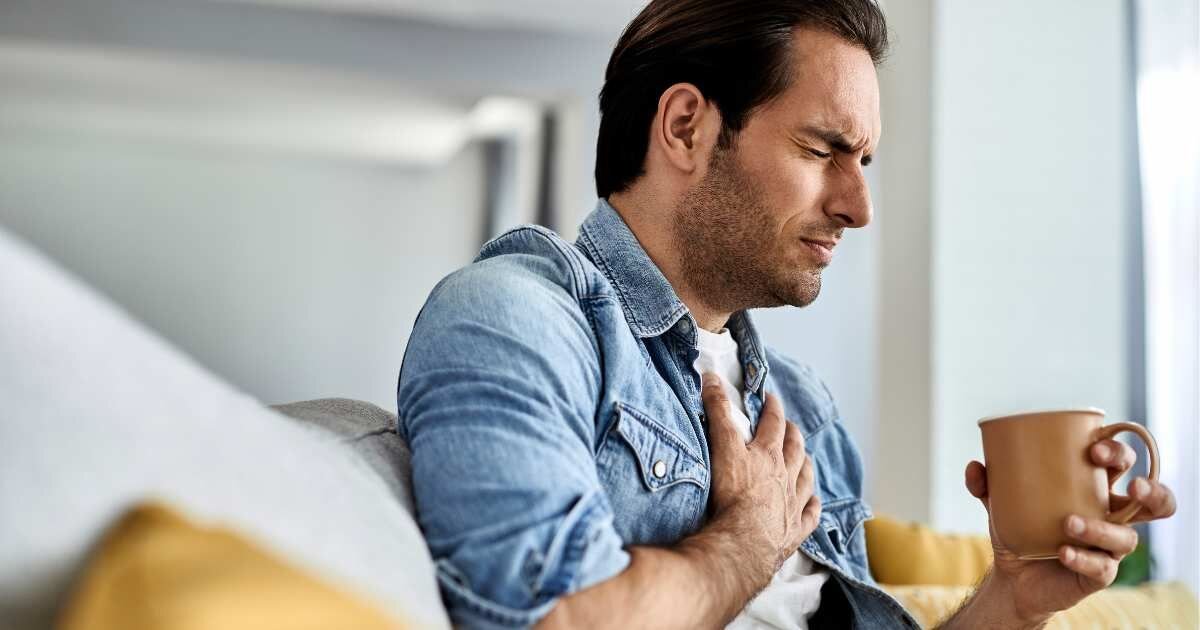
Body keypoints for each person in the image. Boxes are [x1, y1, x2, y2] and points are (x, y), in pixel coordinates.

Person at [396, 1, 1178, 627]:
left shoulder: (802, 410)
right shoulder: (515, 319)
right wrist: (745, 547)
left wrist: (1013, 599)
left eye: (863, 160)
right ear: (685, 127)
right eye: (820, 150)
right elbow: (548, 619)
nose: (858, 205)